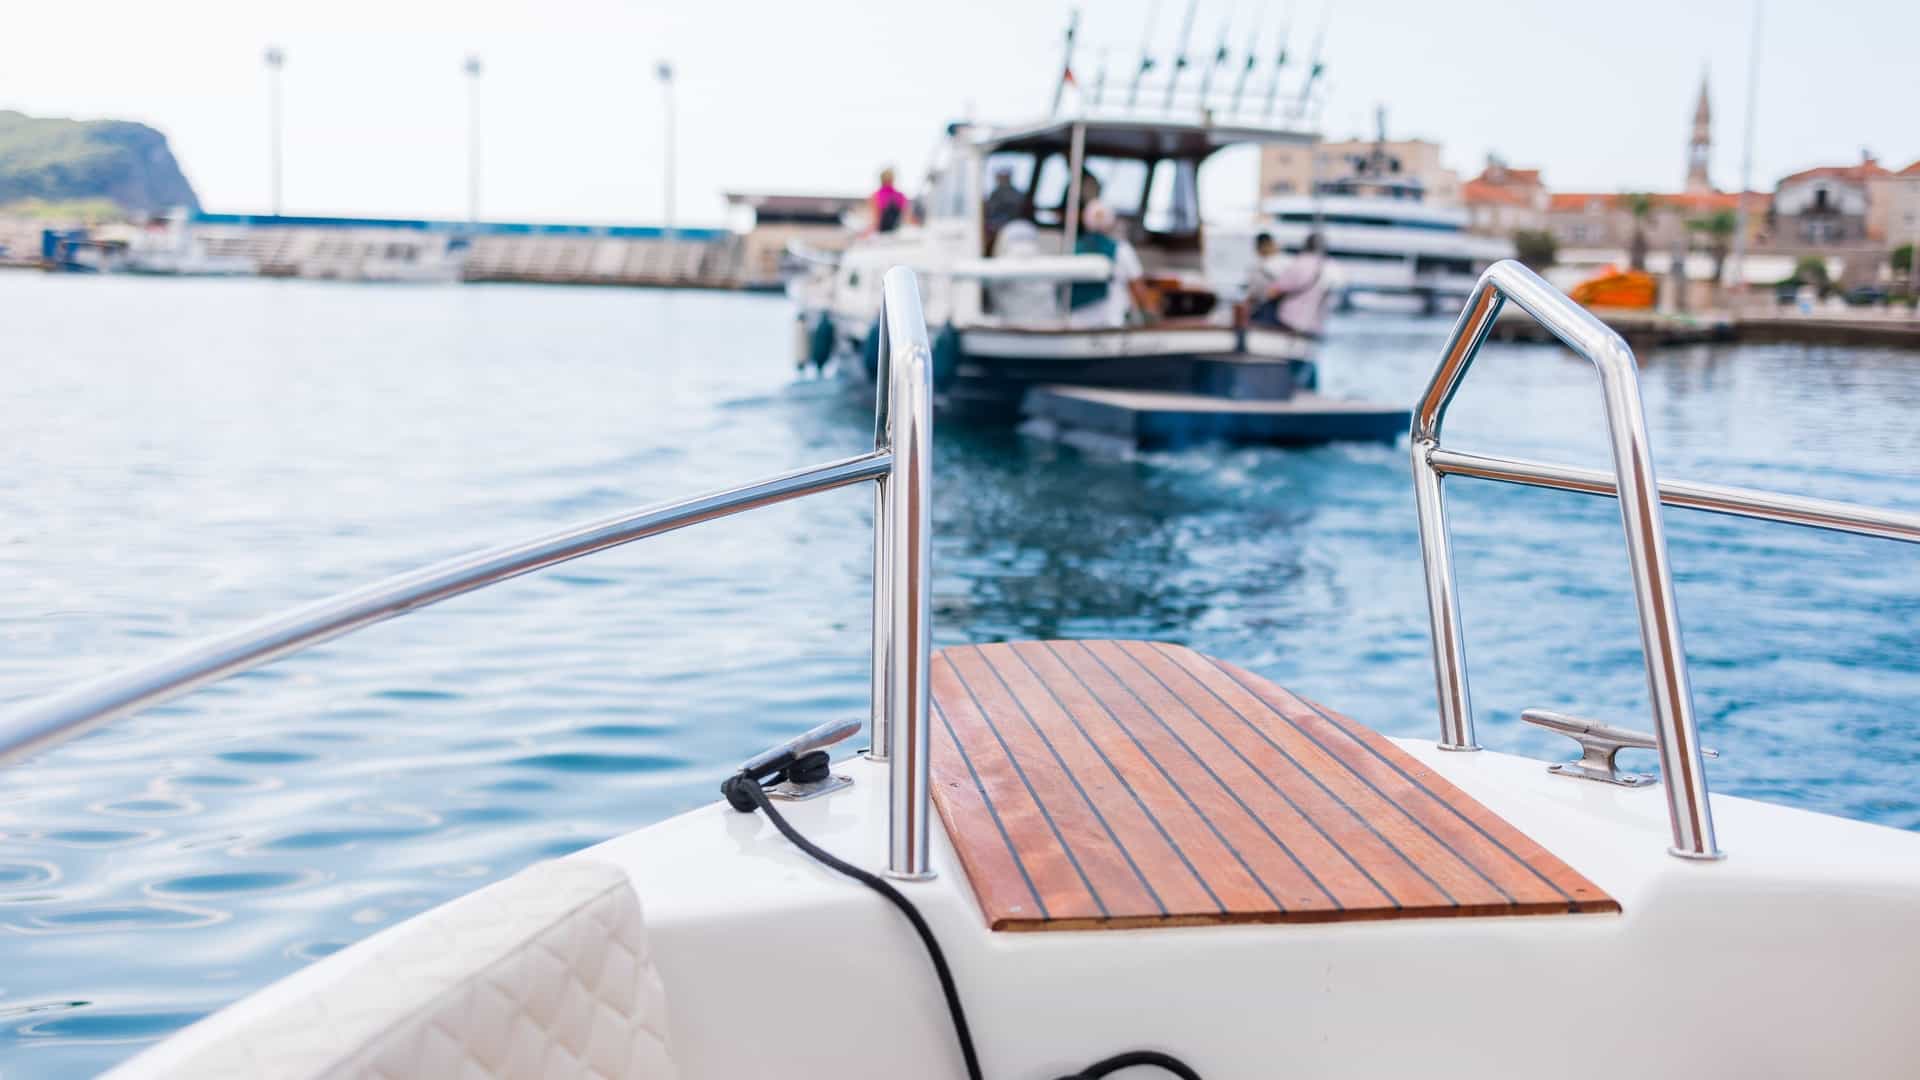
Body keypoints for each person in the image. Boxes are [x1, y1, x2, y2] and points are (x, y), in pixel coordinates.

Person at [1068, 200, 1150, 329]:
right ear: (1111, 222)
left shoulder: (1073, 250)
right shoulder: (1122, 249)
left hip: (1077, 323)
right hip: (1110, 322)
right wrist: (1151, 315)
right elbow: (1138, 287)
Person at [1247, 231, 1331, 337]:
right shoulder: (1328, 267)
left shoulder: (1297, 264)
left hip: (1289, 320)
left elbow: (1271, 293)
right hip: (1313, 325)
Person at [984, 167, 1024, 235]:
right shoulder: (996, 192)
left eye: (1003, 177)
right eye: (1000, 177)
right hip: (998, 221)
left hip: (1007, 223)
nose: (1000, 179)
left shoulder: (1015, 194)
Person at [869, 168, 908, 234]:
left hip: (881, 234)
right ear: (893, 179)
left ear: (881, 179)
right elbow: (905, 218)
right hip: (896, 233)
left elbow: (876, 220)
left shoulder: (876, 195)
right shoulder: (900, 196)